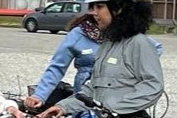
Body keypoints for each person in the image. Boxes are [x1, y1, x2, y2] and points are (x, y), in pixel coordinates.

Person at [23, 9, 164, 111]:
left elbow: (155, 48)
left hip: (115, 95)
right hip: (86, 95)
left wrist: (128, 70)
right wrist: (40, 96)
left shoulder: (125, 35)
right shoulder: (78, 34)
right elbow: (57, 67)